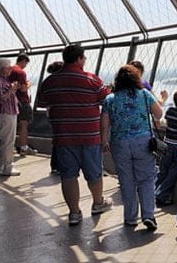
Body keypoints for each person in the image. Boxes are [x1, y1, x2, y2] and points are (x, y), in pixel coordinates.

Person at [37, 45, 112, 226]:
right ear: (79, 59)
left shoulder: (50, 81)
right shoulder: (92, 80)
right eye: (84, 58)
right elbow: (107, 101)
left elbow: (40, 102)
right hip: (89, 136)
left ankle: (74, 212)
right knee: (94, 173)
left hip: (63, 137)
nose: (84, 60)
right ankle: (98, 203)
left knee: (68, 176)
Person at [101, 65, 163, 230]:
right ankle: (148, 215)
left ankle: (130, 218)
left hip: (119, 143)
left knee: (126, 180)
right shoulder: (144, 94)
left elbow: (105, 124)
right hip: (143, 142)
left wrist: (104, 141)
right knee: (146, 179)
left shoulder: (110, 99)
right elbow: (159, 114)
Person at [0, 59, 20, 176]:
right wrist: (11, 90)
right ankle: (8, 167)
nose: (11, 69)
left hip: (6, 113)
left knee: (5, 141)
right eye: (9, 67)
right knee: (8, 141)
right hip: (5, 113)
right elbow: (1, 98)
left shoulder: (1, 80)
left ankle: (0, 166)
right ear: (3, 69)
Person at [10, 54, 37, 155]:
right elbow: (23, 88)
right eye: (26, 64)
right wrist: (29, 84)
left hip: (11, 102)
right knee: (24, 124)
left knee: (12, 125)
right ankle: (24, 147)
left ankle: (11, 147)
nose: (25, 66)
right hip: (22, 101)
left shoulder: (9, 70)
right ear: (23, 61)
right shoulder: (20, 72)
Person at [45, 61, 64, 175]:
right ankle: (58, 164)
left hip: (52, 113)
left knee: (57, 139)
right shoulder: (60, 82)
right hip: (61, 114)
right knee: (61, 140)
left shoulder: (49, 81)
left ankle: (55, 165)